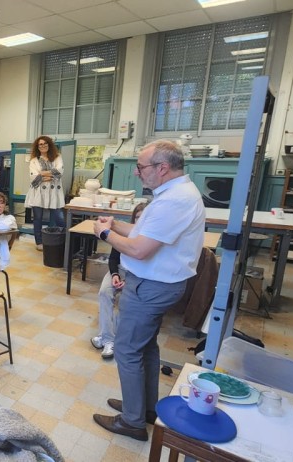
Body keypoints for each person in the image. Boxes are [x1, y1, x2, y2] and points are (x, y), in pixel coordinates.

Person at [91, 140, 205, 441]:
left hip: (151, 287)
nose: (137, 172)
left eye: (141, 167)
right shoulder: (174, 194)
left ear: (162, 168)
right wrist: (116, 224)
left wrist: (104, 233)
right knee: (146, 347)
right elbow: (145, 233)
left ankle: (132, 421)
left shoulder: (174, 201)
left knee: (127, 350)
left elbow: (139, 250)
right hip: (158, 285)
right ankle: (144, 408)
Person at [90, 202, 147, 360]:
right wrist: (115, 274)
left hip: (137, 274)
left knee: (125, 299)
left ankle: (111, 339)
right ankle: (108, 338)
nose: (139, 221)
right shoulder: (124, 234)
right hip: (120, 270)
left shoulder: (149, 239)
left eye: (143, 218)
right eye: (137, 217)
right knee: (104, 292)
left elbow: (146, 266)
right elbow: (113, 258)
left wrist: (127, 281)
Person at [25, 136, 65, 250]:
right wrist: (49, 175)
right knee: (37, 218)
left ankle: (62, 241)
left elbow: (59, 172)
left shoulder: (57, 157)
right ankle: (39, 242)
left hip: (54, 192)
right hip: (38, 192)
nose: (43, 146)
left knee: (59, 218)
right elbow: (33, 178)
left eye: (45, 143)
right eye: (40, 144)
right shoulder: (34, 160)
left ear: (49, 144)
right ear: (37, 147)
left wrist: (42, 174)